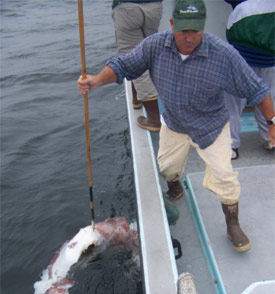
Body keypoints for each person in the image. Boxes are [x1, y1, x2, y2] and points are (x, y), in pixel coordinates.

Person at [78, 0, 275, 253]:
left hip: (211, 127)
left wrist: (271, 123)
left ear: (203, 27)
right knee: (167, 167)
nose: (189, 37)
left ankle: (232, 223)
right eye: (183, 30)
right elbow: (123, 65)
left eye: (195, 30)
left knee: (225, 178)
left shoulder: (223, 53)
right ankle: (175, 188)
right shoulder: (154, 45)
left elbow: (257, 89)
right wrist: (96, 80)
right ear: (172, 25)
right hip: (174, 123)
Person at [224, 0, 275, 159]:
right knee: (269, 98)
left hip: (241, 59)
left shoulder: (241, 8)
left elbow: (230, 36)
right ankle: (270, 139)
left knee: (232, 103)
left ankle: (231, 145)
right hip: (269, 60)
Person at [112, 0, 163, 132]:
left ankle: (153, 119)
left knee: (132, 56)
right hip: (154, 6)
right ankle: (136, 98)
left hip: (128, 8)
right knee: (149, 51)